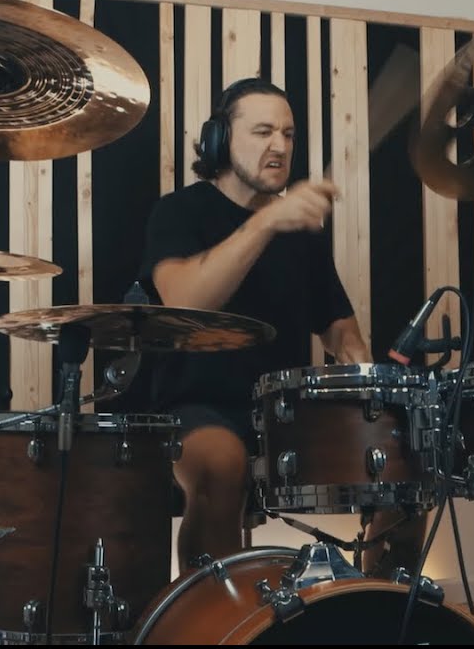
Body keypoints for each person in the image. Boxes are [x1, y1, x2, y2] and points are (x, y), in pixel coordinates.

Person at [138, 77, 426, 575]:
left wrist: (375, 399)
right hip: (194, 408)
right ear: (219, 139)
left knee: (408, 457)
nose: (280, 146)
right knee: (222, 464)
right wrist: (267, 221)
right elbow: (185, 301)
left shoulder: (301, 235)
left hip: (286, 415)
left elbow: (342, 334)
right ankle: (216, 612)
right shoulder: (180, 212)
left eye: (288, 134)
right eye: (263, 131)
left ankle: (379, 600)